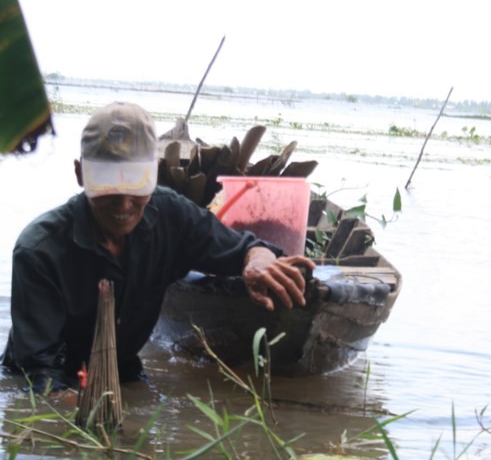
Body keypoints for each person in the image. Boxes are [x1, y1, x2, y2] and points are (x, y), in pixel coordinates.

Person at [1, 102, 315, 393]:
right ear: (81, 174)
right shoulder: (39, 250)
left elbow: (247, 247)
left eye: (136, 183)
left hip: (122, 372)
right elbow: (41, 379)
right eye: (108, 185)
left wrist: (257, 263)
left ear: (153, 173)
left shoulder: (172, 216)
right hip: (44, 380)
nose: (124, 203)